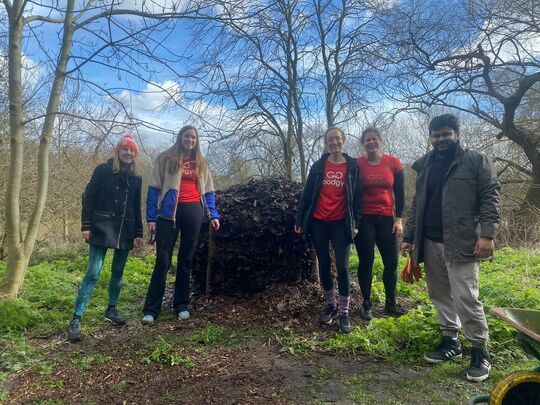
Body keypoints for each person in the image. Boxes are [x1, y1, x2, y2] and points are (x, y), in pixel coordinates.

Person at [400, 114, 500, 382]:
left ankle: (480, 351)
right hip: (429, 241)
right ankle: (451, 341)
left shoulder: (475, 161)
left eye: (446, 134)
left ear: (457, 133)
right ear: (431, 137)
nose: (441, 139)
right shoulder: (426, 166)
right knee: (440, 293)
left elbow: (491, 196)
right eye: (436, 135)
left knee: (466, 296)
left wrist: (488, 235)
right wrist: (409, 237)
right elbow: (417, 206)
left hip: (463, 241)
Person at [68, 134, 144, 342]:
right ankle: (76, 318)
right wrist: (86, 226)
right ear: (118, 151)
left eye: (131, 151)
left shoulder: (136, 178)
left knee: (118, 272)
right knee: (93, 272)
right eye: (125, 149)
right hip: (101, 226)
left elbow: (136, 207)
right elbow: (89, 198)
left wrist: (139, 232)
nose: (128, 153)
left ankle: (111, 309)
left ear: (134, 154)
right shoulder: (102, 170)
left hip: (125, 229)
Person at [142, 125, 220, 325]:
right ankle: (151, 309)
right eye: (187, 136)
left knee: (185, 260)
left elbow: (209, 192)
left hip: (194, 211)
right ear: (180, 137)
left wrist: (213, 215)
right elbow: (153, 189)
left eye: (193, 137)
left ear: (197, 140)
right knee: (163, 260)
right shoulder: (165, 158)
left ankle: (181, 305)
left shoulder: (201, 163)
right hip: (168, 215)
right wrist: (151, 217)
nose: (190, 140)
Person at [295, 127, 361, 334]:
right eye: (330, 140)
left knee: (341, 267)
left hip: (341, 224)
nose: (334, 143)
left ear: (344, 140)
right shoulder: (318, 165)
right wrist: (300, 219)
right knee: (324, 264)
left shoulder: (353, 166)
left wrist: (355, 222)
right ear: (326, 143)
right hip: (318, 223)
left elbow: (358, 198)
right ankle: (330, 305)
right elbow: (307, 195)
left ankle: (344, 311)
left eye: (337, 139)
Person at [354, 127, 406, 321]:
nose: (371, 142)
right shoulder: (357, 164)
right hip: (365, 219)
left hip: (387, 219)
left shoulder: (393, 162)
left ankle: (391, 303)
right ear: (363, 143)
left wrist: (399, 219)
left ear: (380, 141)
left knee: (391, 262)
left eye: (374, 139)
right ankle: (366, 303)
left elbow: (400, 193)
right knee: (366, 262)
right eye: (367, 140)